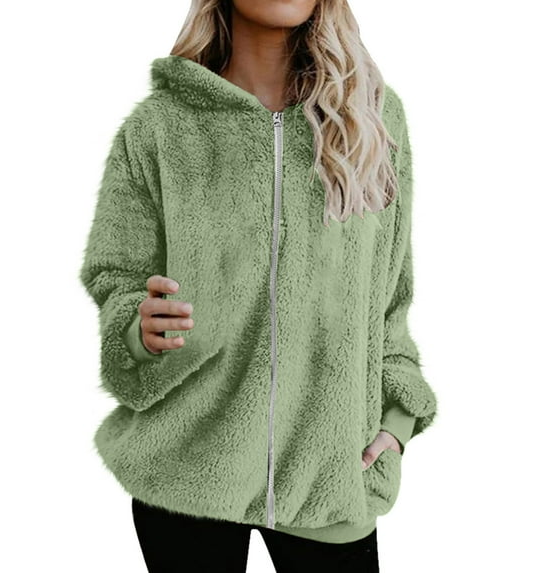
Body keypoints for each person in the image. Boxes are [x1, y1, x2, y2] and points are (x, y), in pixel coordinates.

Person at [78, 0, 438, 571]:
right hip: (186, 474)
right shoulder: (161, 127)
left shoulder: (372, 118)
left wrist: (396, 421)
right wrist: (137, 328)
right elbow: (116, 275)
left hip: (327, 478)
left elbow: (390, 294)